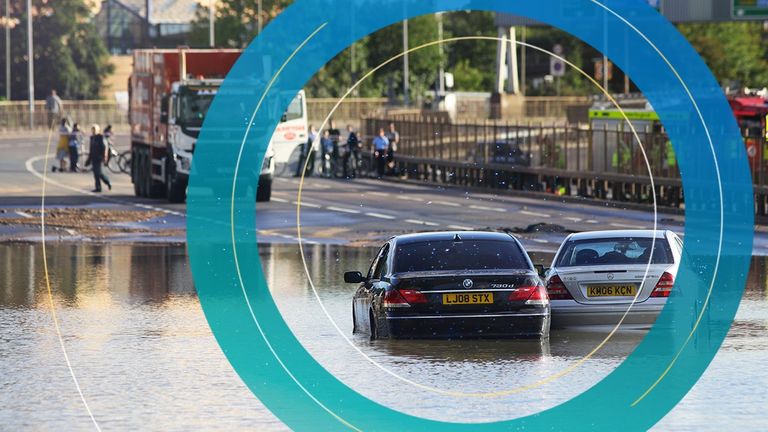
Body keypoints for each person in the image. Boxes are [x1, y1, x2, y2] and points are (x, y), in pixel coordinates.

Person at [85, 124, 112, 192]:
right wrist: (88, 159)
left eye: (95, 129)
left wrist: (105, 157)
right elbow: (91, 149)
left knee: (99, 173)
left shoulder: (101, 137)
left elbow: (105, 147)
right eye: (92, 129)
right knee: (96, 173)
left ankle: (107, 182)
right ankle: (98, 187)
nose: (93, 131)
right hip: (94, 157)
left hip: (99, 157)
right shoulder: (92, 138)